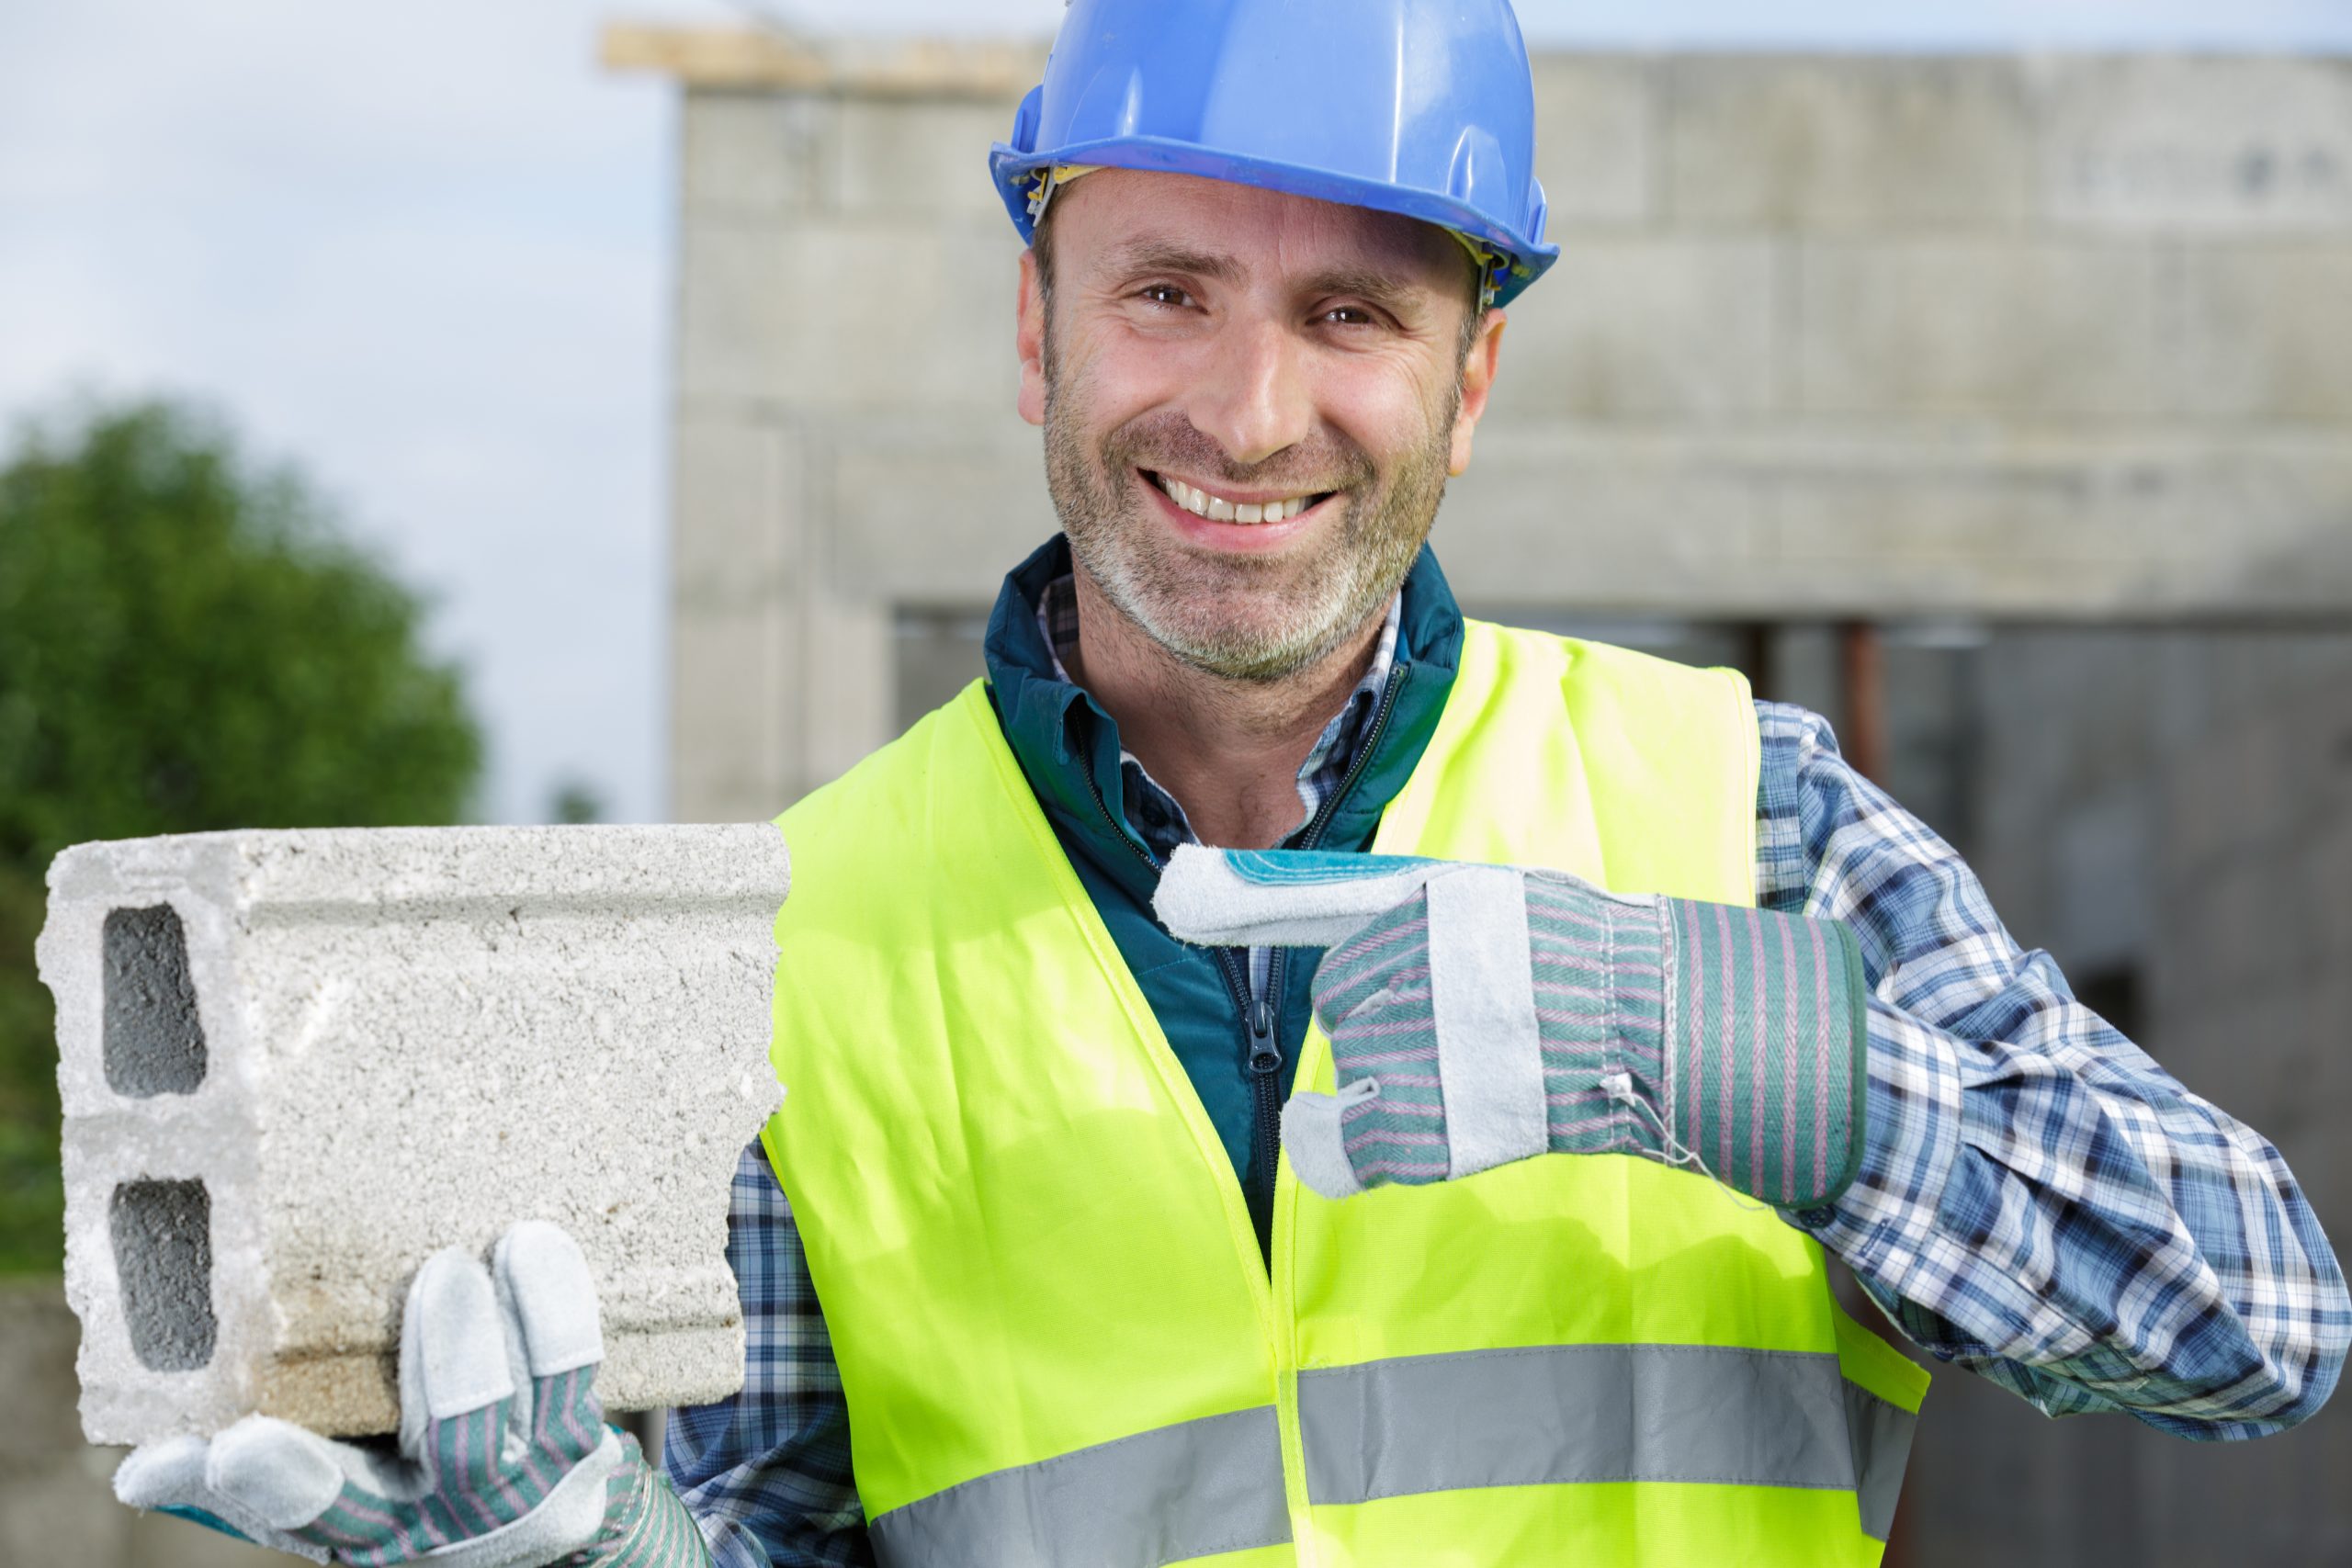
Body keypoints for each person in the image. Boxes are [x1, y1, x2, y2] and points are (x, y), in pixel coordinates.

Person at [118, 3, 2347, 1565]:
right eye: (1167, 288)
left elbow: (2260, 1322)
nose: (1249, 409)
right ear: (1036, 329)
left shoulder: (1734, 811)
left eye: (1355, 314)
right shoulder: (793, 944)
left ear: (1470, 381)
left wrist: (1790, 1065)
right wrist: (600, 1553)